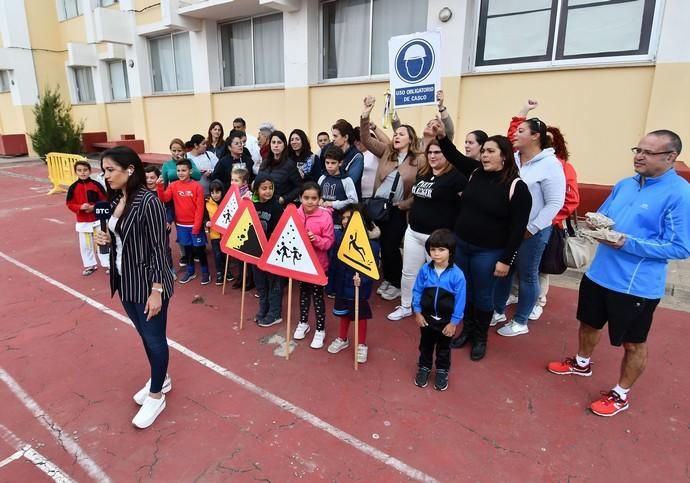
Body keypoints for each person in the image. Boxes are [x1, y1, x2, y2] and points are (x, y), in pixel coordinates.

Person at [547, 130, 690, 416]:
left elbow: (679, 247)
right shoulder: (625, 184)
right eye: (638, 149)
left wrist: (627, 242)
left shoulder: (680, 194)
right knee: (588, 324)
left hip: (635, 286)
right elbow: (604, 215)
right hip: (599, 273)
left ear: (670, 157)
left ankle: (621, 394)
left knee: (633, 343)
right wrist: (597, 226)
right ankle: (581, 362)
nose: (639, 156)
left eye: (648, 152)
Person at [95, 146, 175, 429]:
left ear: (130, 169)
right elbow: (122, 237)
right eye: (104, 170)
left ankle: (156, 396)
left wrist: (156, 291)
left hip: (148, 285)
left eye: (110, 170)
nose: (105, 176)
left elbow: (158, 249)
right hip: (124, 281)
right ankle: (161, 378)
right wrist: (107, 239)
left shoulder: (148, 202)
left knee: (154, 339)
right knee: (144, 334)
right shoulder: (117, 197)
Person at [448, 136, 532, 360]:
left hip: (489, 252)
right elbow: (454, 156)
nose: (484, 155)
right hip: (463, 246)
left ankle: (480, 337)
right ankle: (466, 330)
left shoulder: (517, 187)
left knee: (483, 295)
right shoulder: (476, 173)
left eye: (490, 151)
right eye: (483, 151)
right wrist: (440, 136)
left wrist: (506, 260)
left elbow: (517, 230)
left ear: (504, 156)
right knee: (464, 291)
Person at [492, 110, 565, 337]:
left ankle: (521, 320)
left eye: (521, 130)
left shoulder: (551, 165)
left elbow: (554, 203)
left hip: (532, 232)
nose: (515, 133)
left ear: (535, 136)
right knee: (503, 270)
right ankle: (497, 310)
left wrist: (531, 228)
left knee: (527, 275)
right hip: (508, 228)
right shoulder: (512, 159)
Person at [506, 102, 580, 320]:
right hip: (515, 226)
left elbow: (566, 201)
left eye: (523, 132)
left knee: (536, 271)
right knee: (512, 268)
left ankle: (535, 304)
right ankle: (513, 296)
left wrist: (540, 223)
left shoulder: (557, 166)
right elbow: (512, 135)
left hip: (542, 227)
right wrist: (522, 112)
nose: (516, 136)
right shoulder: (518, 159)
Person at [388, 137, 467, 321]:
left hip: (438, 240)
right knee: (409, 273)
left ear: (447, 154)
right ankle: (406, 305)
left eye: (437, 152)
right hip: (414, 232)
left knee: (437, 276)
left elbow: (466, 206)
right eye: (429, 152)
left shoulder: (457, 178)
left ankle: (437, 309)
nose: (432, 156)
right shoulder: (423, 173)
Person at [360, 95, 426, 301]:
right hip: (378, 206)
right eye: (395, 133)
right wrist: (365, 114)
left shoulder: (419, 160)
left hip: (398, 209)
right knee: (380, 246)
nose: (396, 136)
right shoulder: (387, 152)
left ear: (411, 139)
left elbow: (420, 188)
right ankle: (388, 279)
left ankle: (396, 283)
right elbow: (366, 139)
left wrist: (405, 204)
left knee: (391, 246)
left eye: (401, 134)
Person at [412, 229, 466, 391]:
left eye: (441, 250)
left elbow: (460, 300)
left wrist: (454, 322)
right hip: (426, 318)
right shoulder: (425, 270)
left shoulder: (457, 275)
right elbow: (417, 290)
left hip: (446, 321)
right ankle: (424, 367)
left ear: (451, 251)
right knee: (426, 345)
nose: (436, 254)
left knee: (444, 348)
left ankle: (442, 370)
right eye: (433, 249)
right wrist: (418, 311)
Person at [327, 205, 380, 363]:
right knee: (344, 314)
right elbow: (334, 264)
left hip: (358, 289)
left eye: (349, 218)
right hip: (341, 286)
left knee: (359, 316)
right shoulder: (339, 239)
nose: (344, 221)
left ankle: (361, 344)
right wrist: (331, 286)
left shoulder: (372, 245)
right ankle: (342, 339)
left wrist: (362, 280)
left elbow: (372, 269)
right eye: (343, 218)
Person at [293, 182, 335, 349]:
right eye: (306, 198)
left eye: (314, 198)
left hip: (318, 265)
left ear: (319, 199)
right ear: (300, 198)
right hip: (301, 264)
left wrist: (316, 240)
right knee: (303, 294)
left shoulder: (325, 217)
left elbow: (329, 243)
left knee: (317, 297)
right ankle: (303, 322)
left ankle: (320, 329)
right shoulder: (295, 214)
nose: (310, 202)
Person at [157, 159, 209, 285]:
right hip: (181, 225)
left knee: (200, 250)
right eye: (178, 170)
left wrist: (197, 226)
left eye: (184, 170)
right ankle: (190, 271)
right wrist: (159, 186)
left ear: (190, 171)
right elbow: (164, 198)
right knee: (188, 250)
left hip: (195, 225)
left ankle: (206, 272)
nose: (180, 173)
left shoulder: (197, 186)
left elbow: (200, 208)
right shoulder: (173, 185)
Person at [65, 160, 110, 275]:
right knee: (86, 245)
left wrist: (94, 207)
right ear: (76, 172)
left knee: (102, 242)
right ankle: (90, 265)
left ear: (90, 171)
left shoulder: (96, 185)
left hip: (98, 220)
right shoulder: (73, 188)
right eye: (79, 170)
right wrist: (80, 207)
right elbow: (70, 204)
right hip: (83, 222)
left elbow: (104, 200)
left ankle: (108, 264)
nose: (83, 173)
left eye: (85, 170)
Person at [252, 174, 285, 327]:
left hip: (272, 253)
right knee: (261, 284)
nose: (268, 191)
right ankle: (263, 308)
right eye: (264, 188)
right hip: (256, 253)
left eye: (270, 188)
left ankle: (275, 313)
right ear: (256, 190)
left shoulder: (276, 207)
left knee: (274, 284)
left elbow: (281, 229)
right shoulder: (252, 206)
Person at [257, 130, 302, 206]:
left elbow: (299, 187)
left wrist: (284, 199)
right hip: (262, 204)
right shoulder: (264, 163)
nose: (276, 145)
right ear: (270, 144)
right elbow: (258, 182)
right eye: (273, 142)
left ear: (284, 145)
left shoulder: (289, 165)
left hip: (279, 206)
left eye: (279, 142)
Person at [205, 179, 228, 286]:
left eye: (217, 192)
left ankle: (227, 271)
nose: (215, 195)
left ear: (222, 192)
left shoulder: (227, 202)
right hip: (214, 234)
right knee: (217, 254)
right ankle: (220, 272)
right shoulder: (207, 203)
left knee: (225, 254)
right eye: (212, 192)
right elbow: (204, 217)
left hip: (225, 234)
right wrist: (206, 222)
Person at [353, 127, 380, 201]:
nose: (358, 142)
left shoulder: (375, 153)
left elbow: (387, 146)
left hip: (372, 196)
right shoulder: (354, 155)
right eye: (355, 140)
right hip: (356, 195)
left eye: (360, 140)